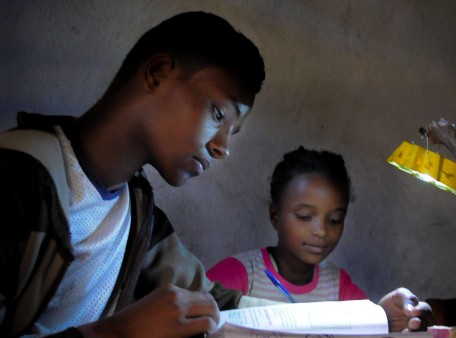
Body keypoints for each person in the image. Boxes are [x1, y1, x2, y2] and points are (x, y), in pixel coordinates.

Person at [0, 11, 429, 338]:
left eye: (233, 132)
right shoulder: (18, 175)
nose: (223, 147)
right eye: (218, 114)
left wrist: (373, 315)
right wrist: (115, 333)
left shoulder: (139, 218)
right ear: (157, 73)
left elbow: (225, 305)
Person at [208, 146, 369, 302]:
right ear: (275, 216)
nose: (321, 231)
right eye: (304, 216)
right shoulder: (240, 275)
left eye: (335, 219)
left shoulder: (337, 285)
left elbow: (375, 324)